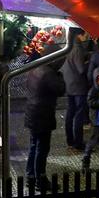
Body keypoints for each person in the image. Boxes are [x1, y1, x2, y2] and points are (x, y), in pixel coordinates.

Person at [23, 61, 64, 189]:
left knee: (34, 145)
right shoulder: (49, 73)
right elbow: (61, 89)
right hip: (43, 115)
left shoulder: (34, 69)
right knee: (42, 148)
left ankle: (30, 177)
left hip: (32, 111)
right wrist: (60, 76)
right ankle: (40, 180)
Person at [61, 30, 93, 151]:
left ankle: (70, 141)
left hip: (69, 84)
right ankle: (78, 143)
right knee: (79, 115)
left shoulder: (68, 47)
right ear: (79, 35)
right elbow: (81, 69)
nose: (87, 36)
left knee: (70, 113)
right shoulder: (78, 49)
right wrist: (90, 62)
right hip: (78, 86)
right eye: (85, 34)